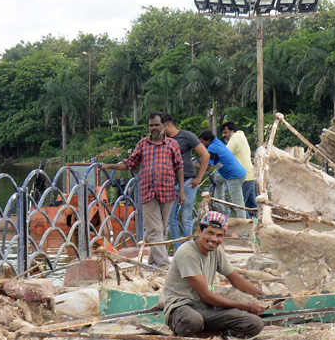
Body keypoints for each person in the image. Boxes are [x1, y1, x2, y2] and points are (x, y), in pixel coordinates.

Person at [162, 210, 267, 340]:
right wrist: (248, 306)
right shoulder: (187, 253)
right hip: (181, 307)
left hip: (205, 308)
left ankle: (200, 338)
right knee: (193, 320)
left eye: (219, 235)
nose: (214, 239)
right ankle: (175, 339)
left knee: (255, 324)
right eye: (210, 233)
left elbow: (235, 279)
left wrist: (264, 298)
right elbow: (207, 296)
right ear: (199, 231)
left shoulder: (216, 252)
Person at [98, 113, 184, 268]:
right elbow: (130, 164)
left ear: (163, 126)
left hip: (168, 191)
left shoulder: (172, 144)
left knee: (162, 229)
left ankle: (153, 262)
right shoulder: (143, 144)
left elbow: (179, 166)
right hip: (148, 191)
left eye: (157, 125)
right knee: (154, 229)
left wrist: (182, 191)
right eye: (151, 125)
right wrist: (110, 166)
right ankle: (164, 265)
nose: (154, 128)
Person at [162, 112, 210, 249]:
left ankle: (188, 248)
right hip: (170, 184)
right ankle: (178, 249)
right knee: (170, 219)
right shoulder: (163, 139)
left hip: (188, 182)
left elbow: (205, 154)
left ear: (168, 125)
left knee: (186, 217)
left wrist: (199, 177)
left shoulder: (186, 136)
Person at [198, 129, 247, 220]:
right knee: (217, 178)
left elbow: (207, 167)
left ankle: (243, 229)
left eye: (202, 142)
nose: (201, 145)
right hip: (233, 172)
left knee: (238, 204)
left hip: (234, 176)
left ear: (208, 141)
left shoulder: (212, 148)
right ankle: (220, 207)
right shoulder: (217, 142)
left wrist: (194, 165)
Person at [220, 121, 257, 218]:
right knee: (252, 206)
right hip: (251, 175)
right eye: (222, 133)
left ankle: (245, 230)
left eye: (225, 132)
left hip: (243, 177)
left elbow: (224, 154)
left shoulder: (235, 138)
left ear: (232, 131)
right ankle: (256, 227)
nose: (224, 135)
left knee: (240, 207)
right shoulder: (242, 137)